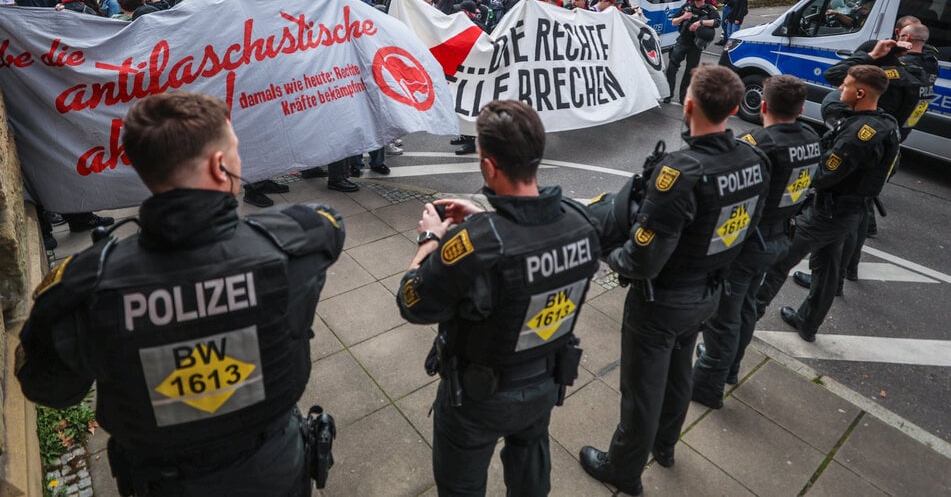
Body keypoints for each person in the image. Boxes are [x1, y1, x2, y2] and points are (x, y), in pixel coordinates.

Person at [16, 91, 345, 496]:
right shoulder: (292, 244)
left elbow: (48, 387)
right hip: (273, 473)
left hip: (161, 483)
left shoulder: (86, 286)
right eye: (236, 150)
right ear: (219, 166)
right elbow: (330, 225)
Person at [580, 65, 769, 496]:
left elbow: (642, 260)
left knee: (642, 390)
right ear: (737, 108)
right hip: (710, 291)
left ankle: (623, 470)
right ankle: (665, 445)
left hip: (664, 300)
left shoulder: (680, 173)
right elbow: (750, 228)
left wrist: (608, 254)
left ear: (688, 105)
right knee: (680, 369)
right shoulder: (754, 159)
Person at [397, 99, 601, 496]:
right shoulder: (580, 224)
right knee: (530, 473)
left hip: (478, 400)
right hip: (545, 381)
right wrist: (483, 219)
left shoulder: (475, 245)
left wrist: (429, 240)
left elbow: (413, 301)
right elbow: (532, 243)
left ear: (489, 167)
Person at [692, 75, 821, 409]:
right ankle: (731, 366)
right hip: (780, 236)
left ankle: (708, 382)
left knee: (724, 316)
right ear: (802, 108)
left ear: (763, 105)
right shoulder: (811, 137)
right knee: (747, 305)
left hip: (750, 240)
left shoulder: (760, 142)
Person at [756, 65, 900, 342]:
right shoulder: (886, 123)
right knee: (828, 269)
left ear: (860, 92)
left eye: (844, 85)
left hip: (827, 213)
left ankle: (748, 314)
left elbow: (822, 175)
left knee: (777, 264)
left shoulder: (860, 133)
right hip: (850, 212)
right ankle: (808, 323)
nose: (840, 89)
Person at [791, 22, 937, 292]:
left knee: (845, 213)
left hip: (862, 142)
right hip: (891, 143)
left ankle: (834, 275)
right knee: (860, 208)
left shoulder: (883, 74)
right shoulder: (927, 66)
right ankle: (848, 269)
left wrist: (871, 57)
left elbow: (833, 75)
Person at [664, 0, 720, 104]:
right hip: (683, 40)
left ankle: (683, 97)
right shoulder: (687, 6)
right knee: (672, 67)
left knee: (690, 71)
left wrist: (700, 23)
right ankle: (667, 94)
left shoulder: (709, 9)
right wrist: (684, 17)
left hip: (696, 45)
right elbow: (674, 22)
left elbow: (717, 22)